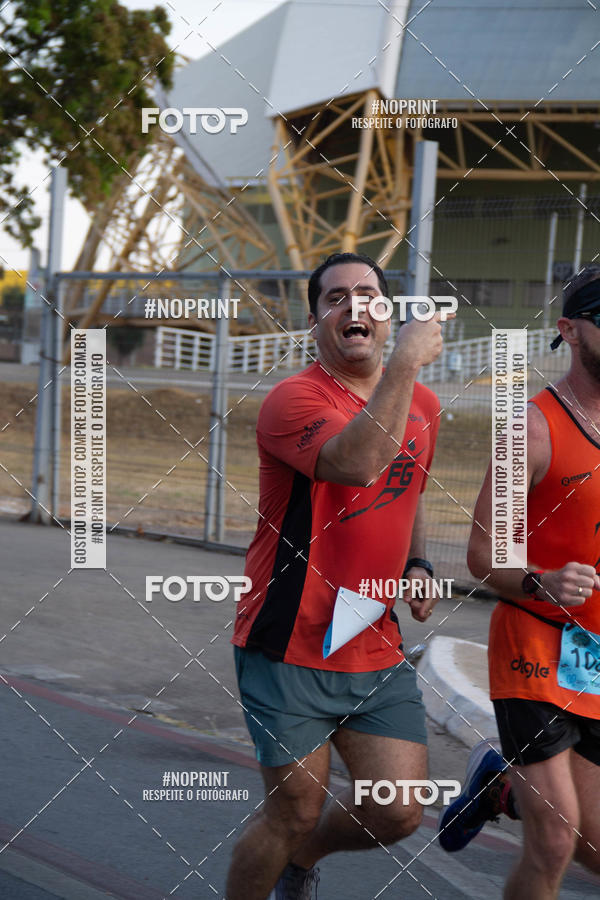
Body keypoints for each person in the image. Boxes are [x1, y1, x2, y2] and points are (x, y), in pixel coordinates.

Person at [226, 252, 452, 900]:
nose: (354, 307)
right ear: (314, 320)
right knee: (291, 810)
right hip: (289, 639)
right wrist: (405, 362)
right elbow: (358, 464)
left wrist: (418, 562)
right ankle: (284, 852)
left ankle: (300, 863)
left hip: (371, 642)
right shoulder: (293, 398)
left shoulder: (424, 404)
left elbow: (408, 490)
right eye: (336, 298)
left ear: (386, 313)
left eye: (369, 295)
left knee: (398, 810)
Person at [438, 266, 600, 899]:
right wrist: (544, 581)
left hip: (596, 659)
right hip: (534, 647)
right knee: (555, 841)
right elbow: (482, 555)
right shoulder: (531, 430)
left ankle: (501, 786)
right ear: (570, 330)